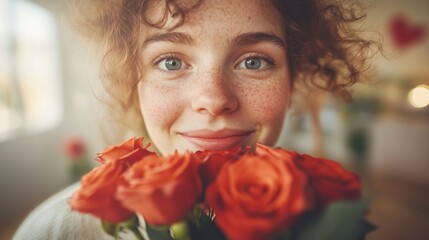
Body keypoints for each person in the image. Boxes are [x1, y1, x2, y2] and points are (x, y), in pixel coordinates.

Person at [14, 0, 378, 239]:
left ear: (292, 78)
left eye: (254, 61)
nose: (214, 100)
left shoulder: (325, 224)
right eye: (171, 62)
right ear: (134, 81)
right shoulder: (53, 231)